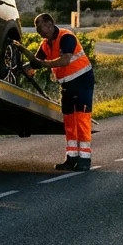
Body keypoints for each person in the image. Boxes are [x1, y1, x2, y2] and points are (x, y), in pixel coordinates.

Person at [23, 12, 94, 171]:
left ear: (49, 25)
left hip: (82, 81)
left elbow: (65, 60)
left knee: (81, 119)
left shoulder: (66, 37)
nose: (38, 32)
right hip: (67, 84)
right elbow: (36, 62)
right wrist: (26, 67)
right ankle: (71, 157)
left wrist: (42, 64)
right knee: (69, 121)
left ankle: (84, 159)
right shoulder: (45, 44)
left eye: (39, 28)